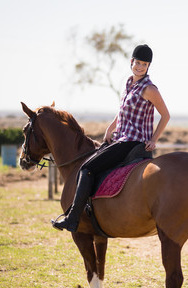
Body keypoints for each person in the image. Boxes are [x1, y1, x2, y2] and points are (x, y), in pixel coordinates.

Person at [52, 44, 170, 232]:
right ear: (131, 62)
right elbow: (123, 111)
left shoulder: (149, 89)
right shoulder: (128, 83)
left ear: (148, 67)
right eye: (137, 62)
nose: (140, 67)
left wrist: (154, 139)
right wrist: (111, 127)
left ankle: (73, 217)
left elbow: (165, 115)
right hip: (119, 137)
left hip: (132, 142)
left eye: (144, 64)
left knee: (87, 167)